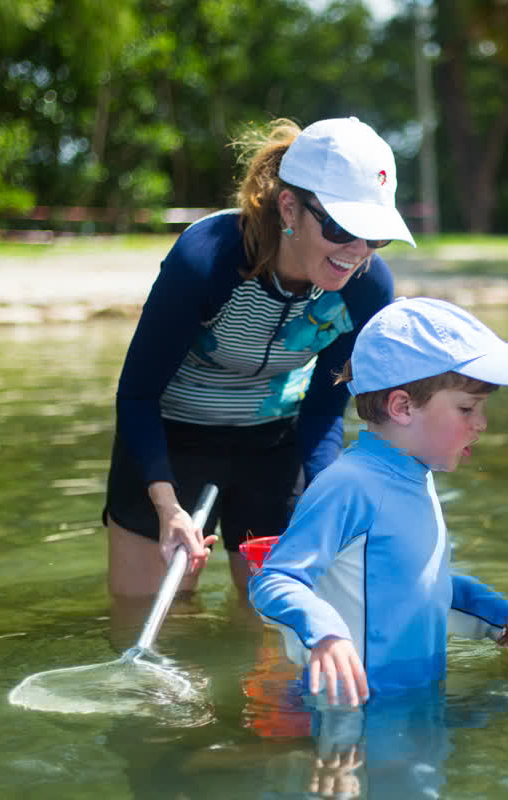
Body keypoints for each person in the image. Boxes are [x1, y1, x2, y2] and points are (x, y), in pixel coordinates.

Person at [103, 117, 414, 605]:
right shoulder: (207, 259)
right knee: (158, 621)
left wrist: (326, 496)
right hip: (169, 438)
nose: (357, 252)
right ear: (289, 206)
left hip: (273, 444)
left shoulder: (367, 286)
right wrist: (167, 505)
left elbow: (324, 406)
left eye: (375, 236)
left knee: (271, 630)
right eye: (342, 228)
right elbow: (137, 394)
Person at [249, 297, 508, 706]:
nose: (481, 424)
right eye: (467, 408)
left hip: (415, 702)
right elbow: (275, 579)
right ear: (403, 406)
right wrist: (324, 633)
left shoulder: (418, 478)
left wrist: (483, 609)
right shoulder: (347, 485)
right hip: (353, 716)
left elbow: (406, 581)